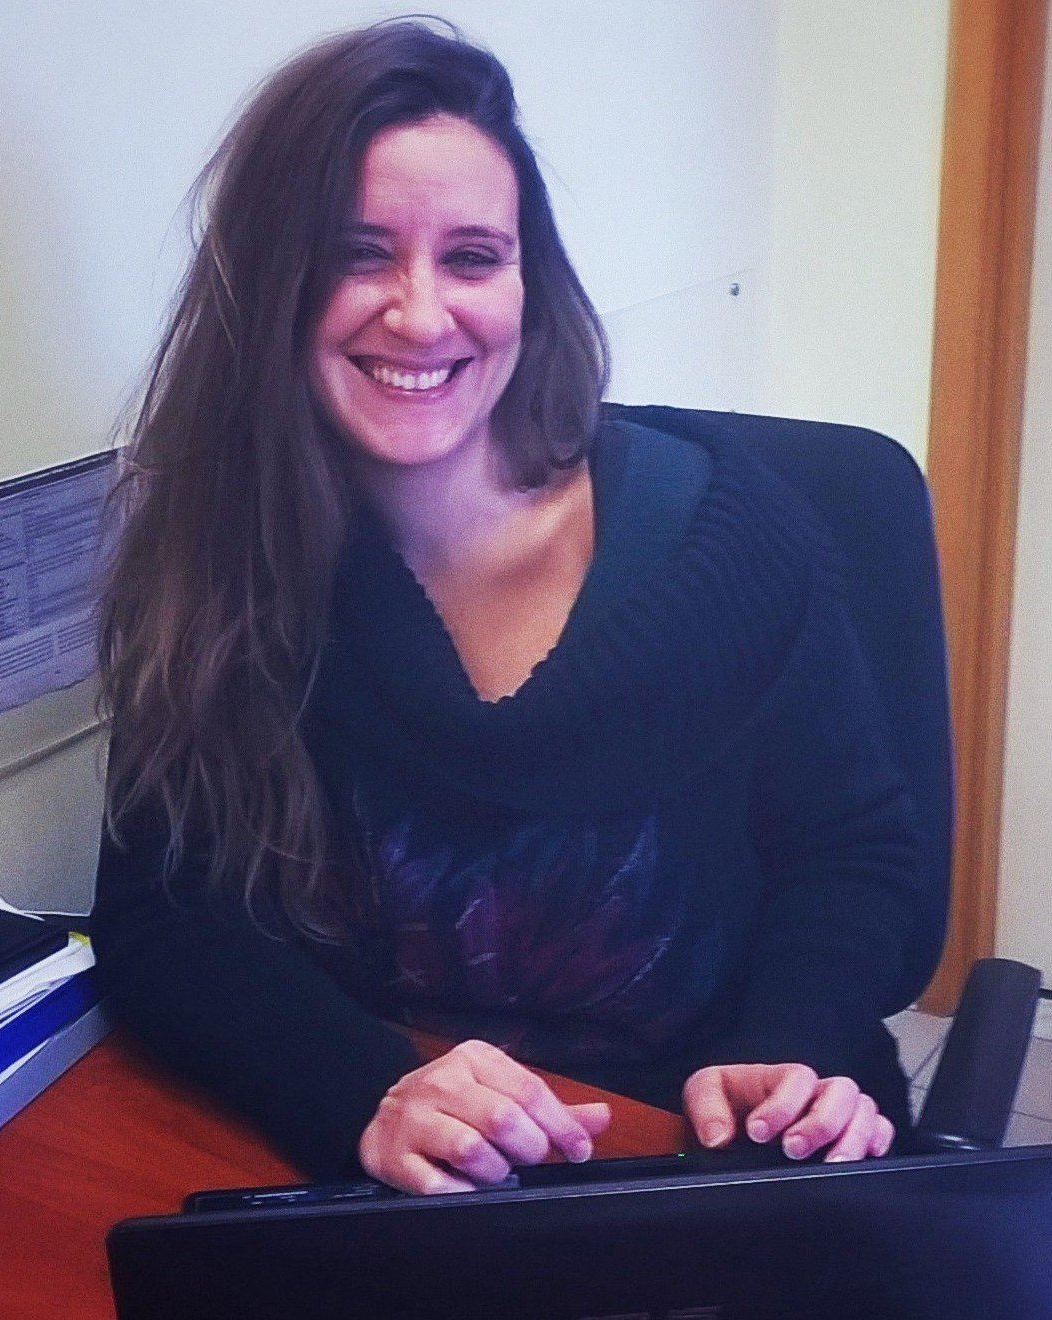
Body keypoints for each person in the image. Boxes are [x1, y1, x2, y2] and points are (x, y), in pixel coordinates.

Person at [92, 17, 933, 1196]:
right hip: (408, 1172)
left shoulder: (731, 540)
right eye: (357, 254)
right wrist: (359, 1089)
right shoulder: (220, 556)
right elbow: (162, 918)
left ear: (528, 284)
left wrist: (786, 1052)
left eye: (473, 257)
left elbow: (854, 854)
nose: (420, 313)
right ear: (271, 281)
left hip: (705, 1161)